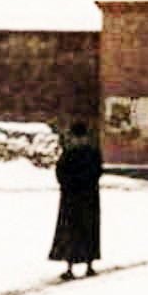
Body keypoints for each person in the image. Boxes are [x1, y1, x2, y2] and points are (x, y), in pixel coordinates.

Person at [50, 119, 103, 280]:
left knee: (72, 233)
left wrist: (68, 186)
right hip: (87, 198)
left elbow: (61, 172)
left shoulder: (69, 152)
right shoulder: (92, 152)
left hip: (72, 199)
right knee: (87, 231)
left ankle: (73, 266)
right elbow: (97, 172)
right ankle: (88, 265)